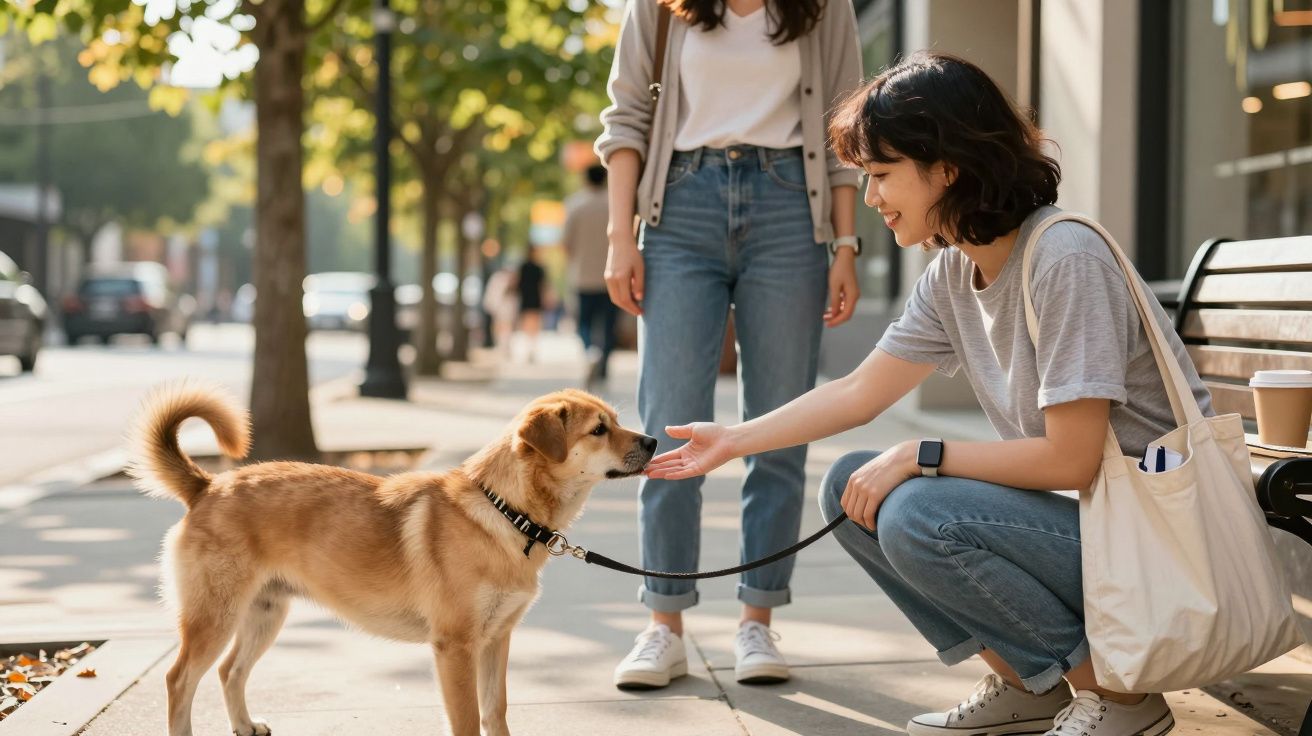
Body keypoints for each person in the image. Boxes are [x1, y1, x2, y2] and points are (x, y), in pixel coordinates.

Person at [643, 52, 1212, 736]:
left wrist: (921, 453)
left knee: (915, 509)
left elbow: (1072, 460)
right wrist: (734, 440)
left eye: (882, 175)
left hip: (1160, 551)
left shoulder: (1064, 258)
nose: (872, 197)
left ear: (948, 167)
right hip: (1092, 536)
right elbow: (859, 390)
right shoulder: (954, 272)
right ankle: (1030, 685)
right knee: (852, 490)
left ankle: (1121, 699)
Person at [596, 0, 864, 690]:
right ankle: (664, 624)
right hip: (680, 208)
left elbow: (844, 128)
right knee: (668, 426)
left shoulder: (822, 8)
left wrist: (845, 243)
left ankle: (758, 620)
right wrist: (620, 236)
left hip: (789, 209)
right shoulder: (660, 9)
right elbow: (626, 117)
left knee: (777, 425)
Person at [564, 164, 620, 389]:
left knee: (583, 323)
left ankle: (590, 351)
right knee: (608, 326)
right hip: (612, 274)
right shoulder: (614, 204)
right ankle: (603, 370)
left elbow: (566, 243)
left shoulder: (575, 205)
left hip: (582, 276)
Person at [514, 248, 548, 363]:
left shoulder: (524, 268)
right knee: (533, 323)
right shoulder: (537, 268)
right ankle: (531, 347)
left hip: (527, 299)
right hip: (533, 299)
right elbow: (543, 286)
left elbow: (518, 284)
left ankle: (531, 347)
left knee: (529, 323)